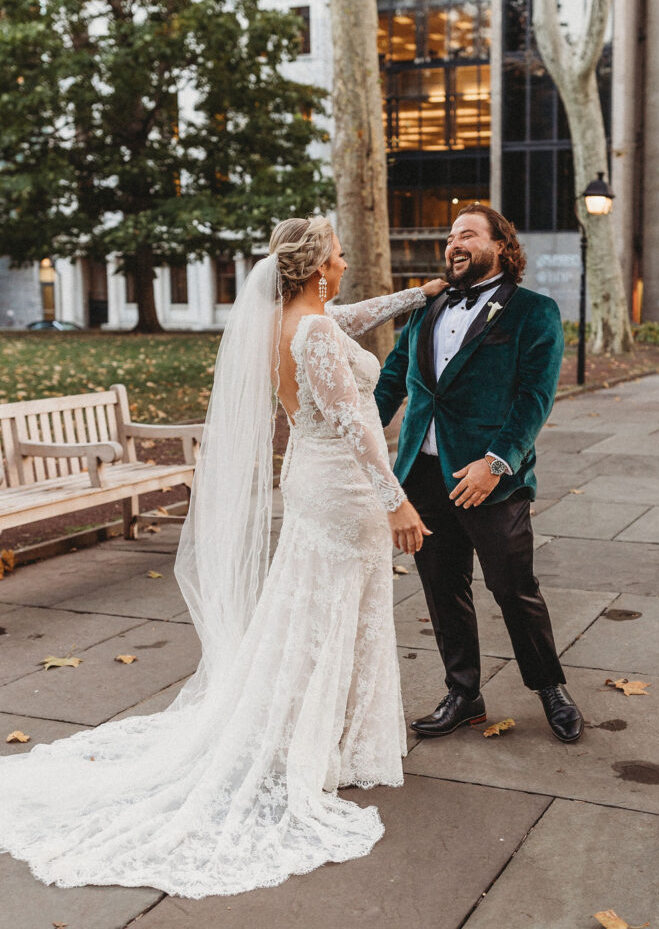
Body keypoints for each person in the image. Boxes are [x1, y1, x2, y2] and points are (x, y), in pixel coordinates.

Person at [0, 216, 446, 898]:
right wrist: (395, 502)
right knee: (338, 611)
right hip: (342, 487)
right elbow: (355, 423)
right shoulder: (315, 332)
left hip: (308, 480)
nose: (346, 261)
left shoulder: (287, 322)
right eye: (337, 253)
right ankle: (323, 744)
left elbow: (347, 319)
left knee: (310, 608)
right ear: (316, 268)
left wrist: (417, 295)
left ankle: (321, 734)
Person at [374, 204, 584, 744]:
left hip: (490, 477)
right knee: (443, 589)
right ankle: (463, 693)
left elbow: (535, 398)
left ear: (500, 245)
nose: (453, 244)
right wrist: (357, 438)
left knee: (514, 589)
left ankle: (550, 688)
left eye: (467, 234)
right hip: (420, 474)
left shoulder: (533, 311)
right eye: (449, 237)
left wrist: (496, 462)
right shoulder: (429, 305)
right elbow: (394, 378)